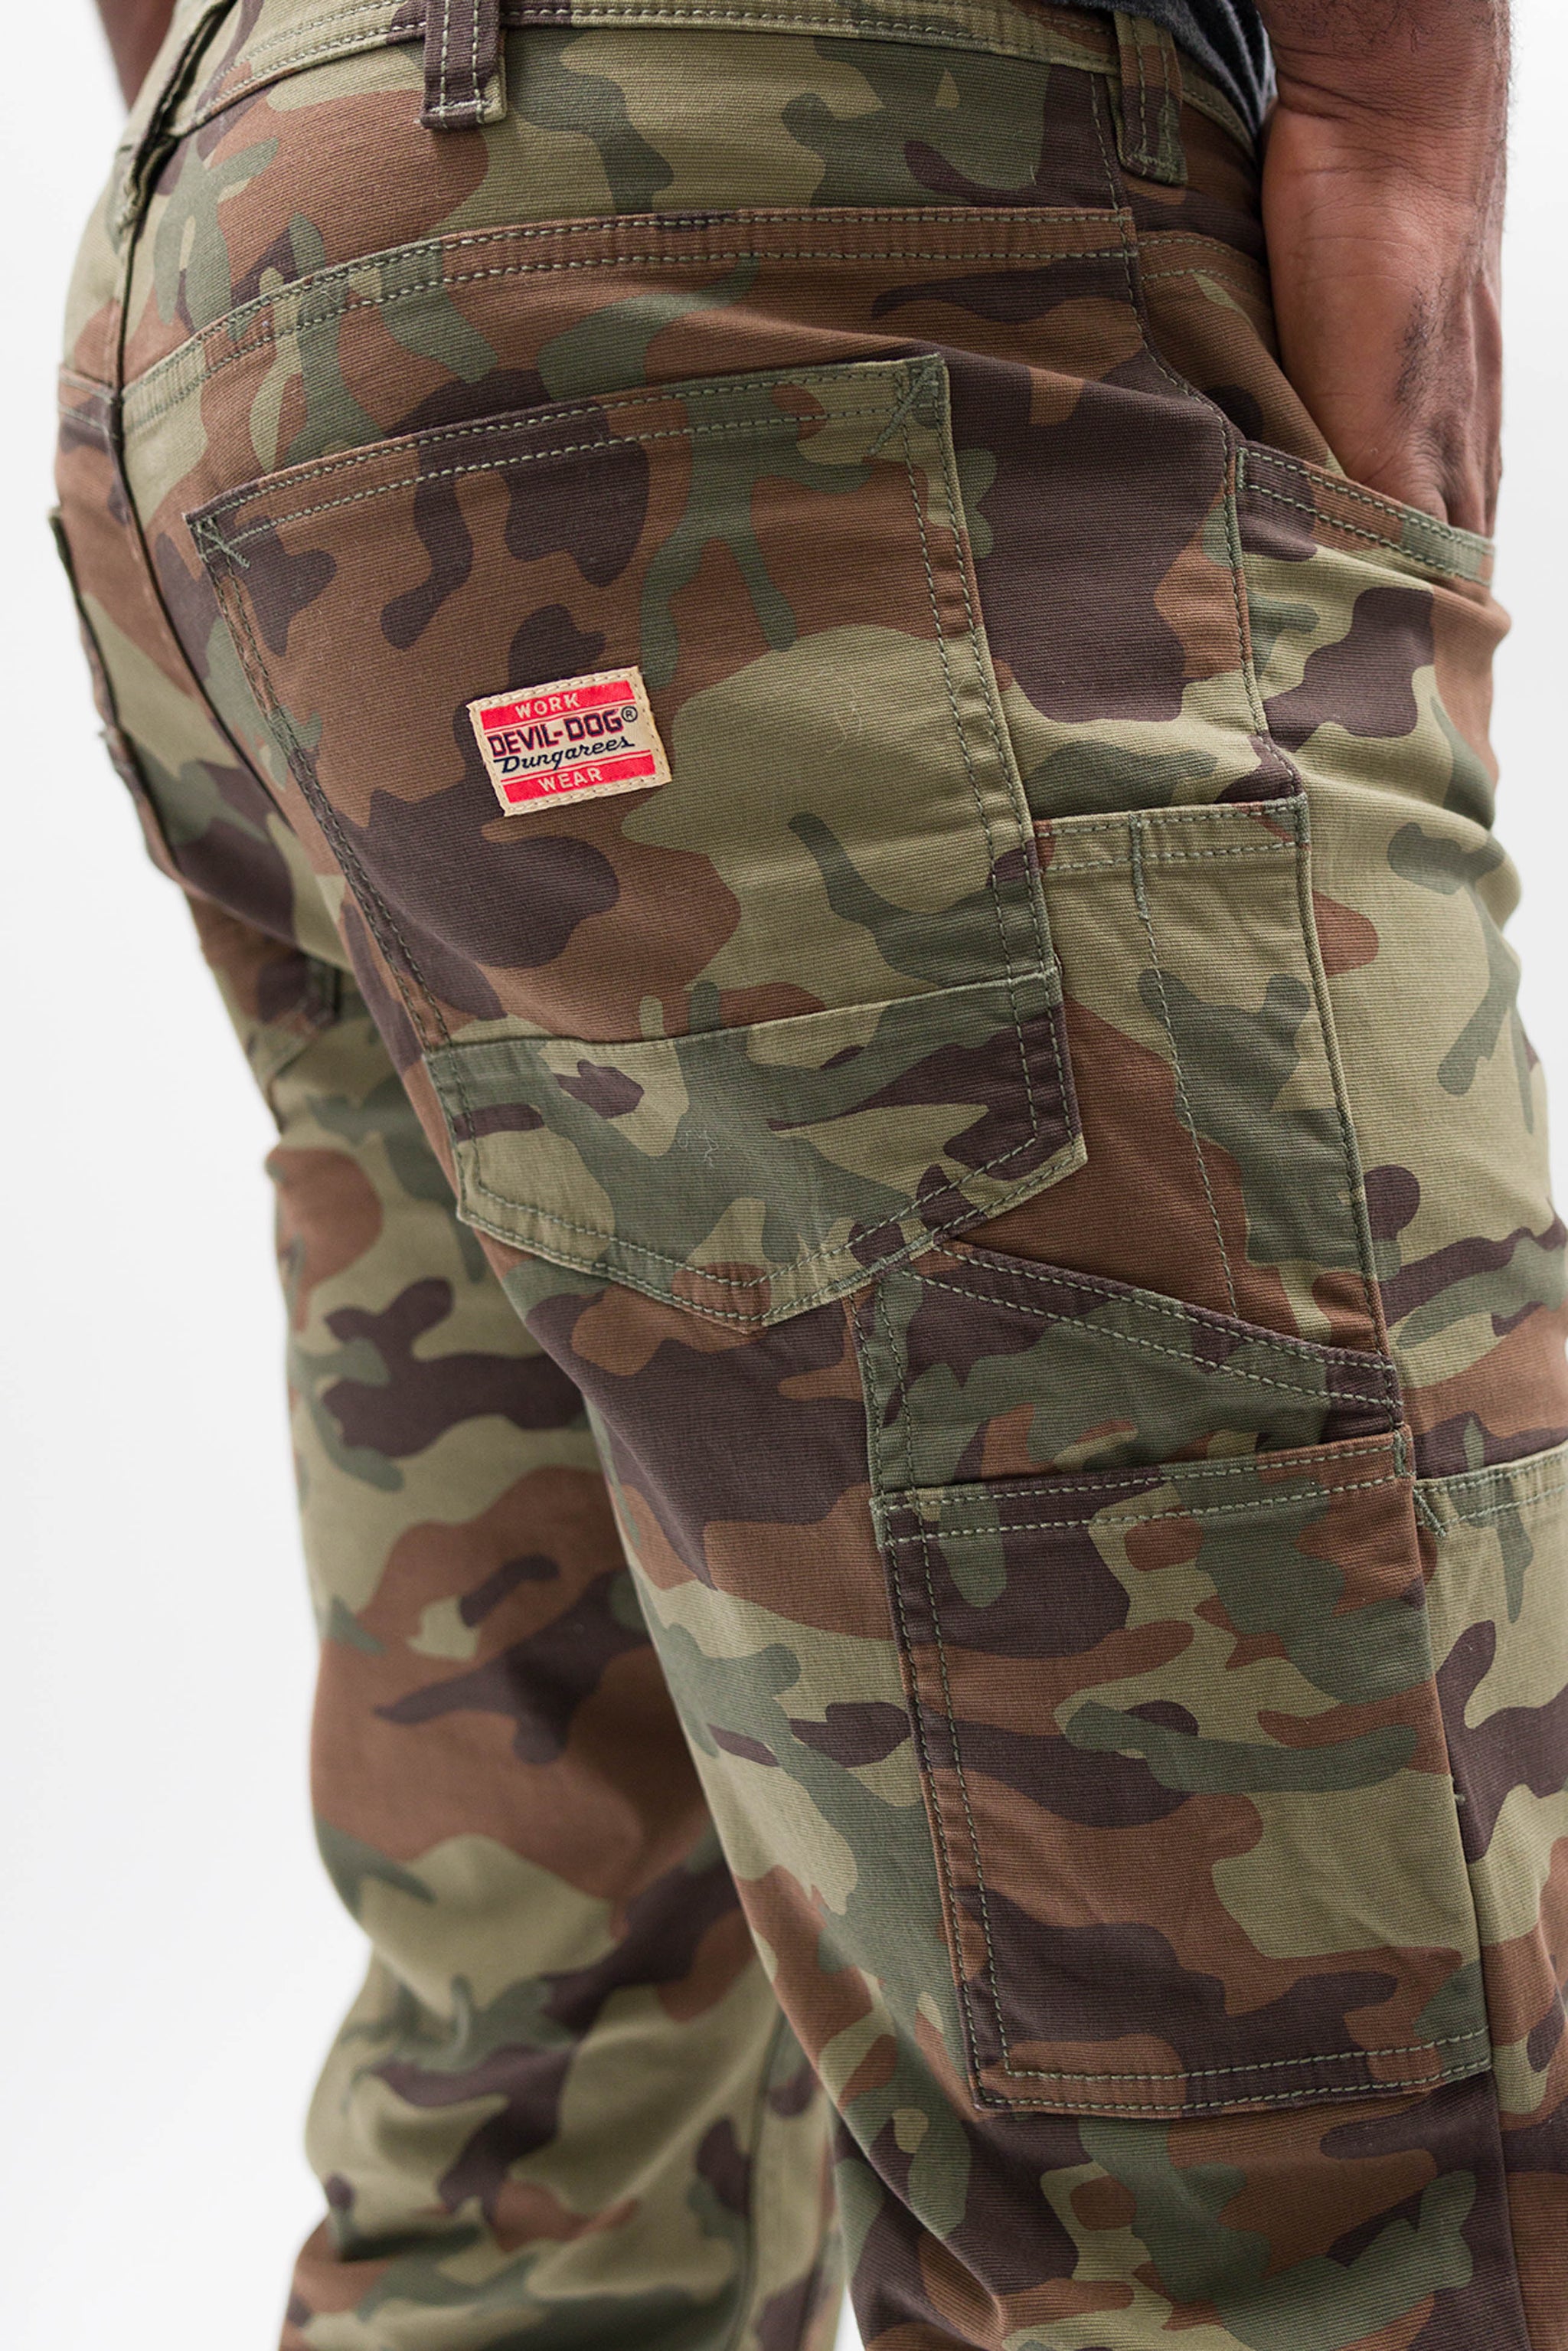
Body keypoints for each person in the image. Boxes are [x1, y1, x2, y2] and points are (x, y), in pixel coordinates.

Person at [58, 0, 1562, 2343]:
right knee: (1307, 2172)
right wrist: (1396, 117)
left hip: (247, 291)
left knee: (558, 2110)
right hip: (830, 244)